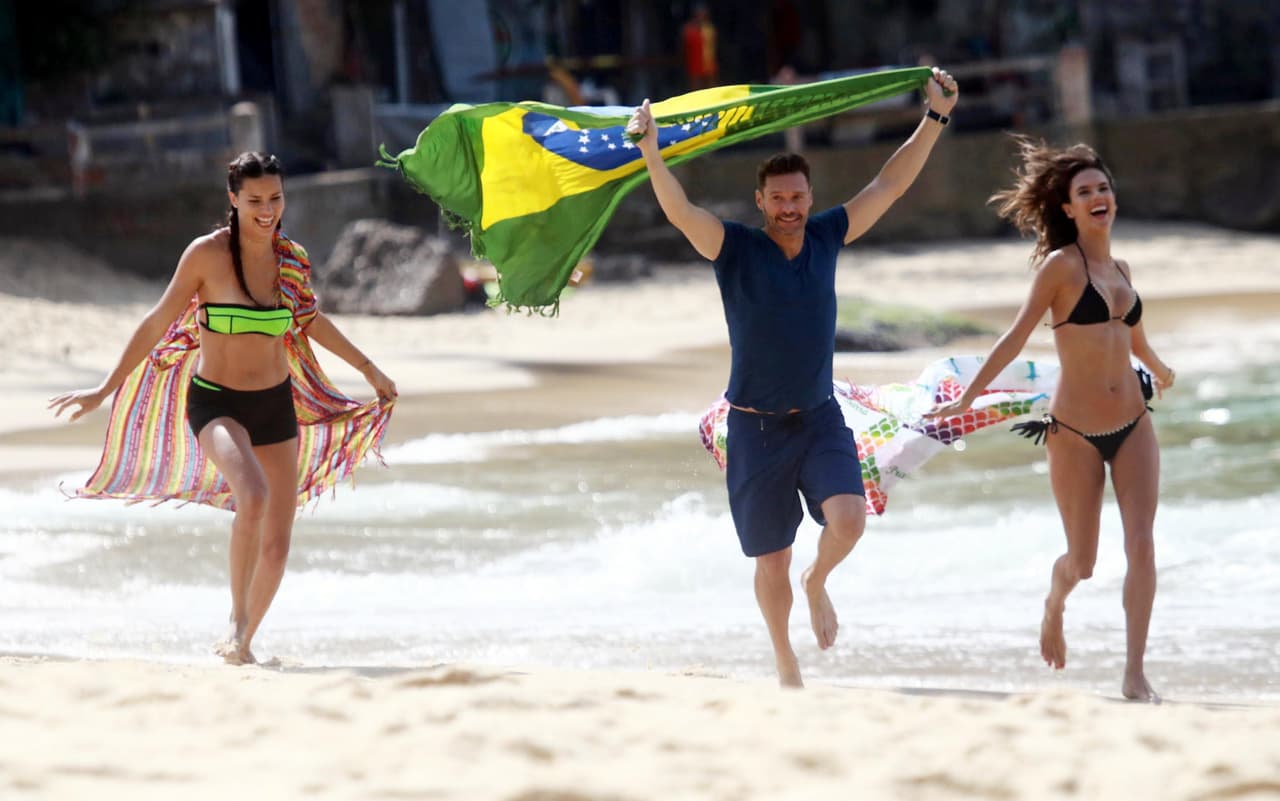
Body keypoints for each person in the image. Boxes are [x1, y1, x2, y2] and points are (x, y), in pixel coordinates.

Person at [628, 67, 959, 687]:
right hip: (754, 429)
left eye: (797, 197)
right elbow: (680, 211)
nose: (789, 207)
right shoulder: (734, 250)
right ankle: (785, 660)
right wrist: (651, 149)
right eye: (777, 198)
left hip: (818, 418)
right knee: (770, 557)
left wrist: (934, 117)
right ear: (761, 202)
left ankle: (820, 581)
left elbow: (888, 185)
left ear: (810, 197)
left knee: (850, 519)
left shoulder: (828, 235)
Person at [48, 152, 397, 665]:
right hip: (215, 403)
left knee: (277, 545)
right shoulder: (206, 256)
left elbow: (311, 322)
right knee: (251, 493)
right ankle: (235, 620)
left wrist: (369, 370)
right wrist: (103, 390)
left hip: (275, 406)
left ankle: (245, 645)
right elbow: (155, 323)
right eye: (255, 200)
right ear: (232, 199)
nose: (267, 210)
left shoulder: (292, 259)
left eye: (275, 198)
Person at [926, 137, 1174, 702]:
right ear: (1067, 208)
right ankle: (1053, 603)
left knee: (1142, 545)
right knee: (1082, 563)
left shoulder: (1121, 267)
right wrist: (967, 398)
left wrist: (1158, 367)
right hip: (1075, 434)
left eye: (1103, 187)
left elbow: (1130, 334)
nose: (1097, 196)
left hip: (1135, 423)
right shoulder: (1061, 269)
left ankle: (1134, 672)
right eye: (1084, 191)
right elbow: (1014, 338)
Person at [681, 3, 718, 91]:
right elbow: (683, 48)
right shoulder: (688, 29)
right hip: (694, 64)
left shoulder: (709, 28)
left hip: (709, 64)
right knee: (696, 88)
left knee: (711, 87)